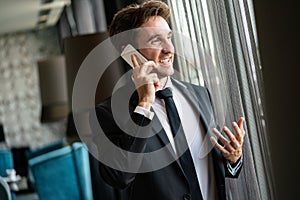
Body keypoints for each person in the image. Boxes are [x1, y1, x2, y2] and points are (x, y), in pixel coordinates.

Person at [94, 1, 245, 199]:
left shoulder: (200, 95)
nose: (169, 49)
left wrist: (233, 159)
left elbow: (205, 168)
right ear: (128, 51)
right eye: (156, 40)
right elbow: (119, 176)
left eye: (169, 38)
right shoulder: (108, 113)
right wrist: (145, 103)